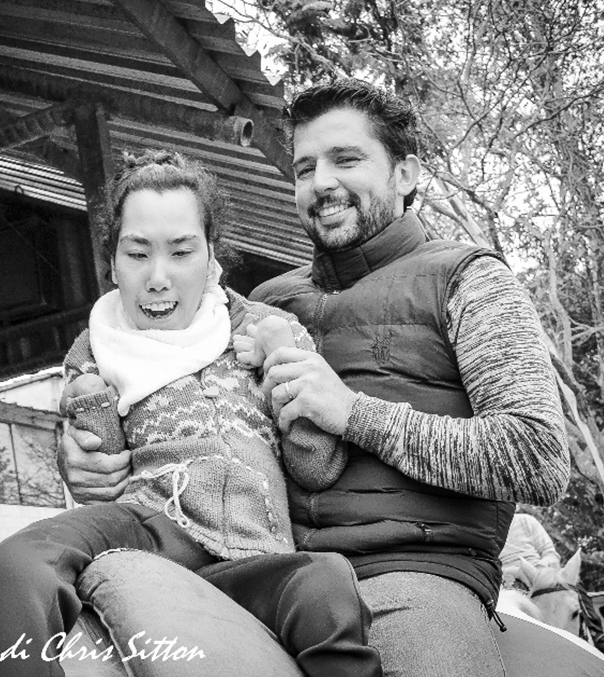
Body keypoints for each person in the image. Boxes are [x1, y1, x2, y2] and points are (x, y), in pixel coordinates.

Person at [58, 79, 571, 677]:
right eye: (305, 168)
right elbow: (168, 406)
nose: (321, 181)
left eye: (346, 159)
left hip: (410, 577)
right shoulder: (261, 305)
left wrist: (354, 414)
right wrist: (84, 459)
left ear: (406, 174)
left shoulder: (468, 279)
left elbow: (538, 458)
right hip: (259, 574)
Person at [0, 150, 381, 677]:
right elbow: (99, 477)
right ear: (112, 263)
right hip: (149, 525)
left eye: (182, 251)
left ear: (211, 259)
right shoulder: (95, 347)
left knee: (326, 582)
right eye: (137, 253)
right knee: (16, 563)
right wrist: (89, 407)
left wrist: (285, 371)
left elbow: (317, 469)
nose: (157, 277)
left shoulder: (266, 328)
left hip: (258, 553)